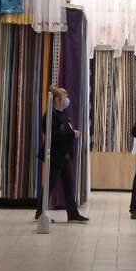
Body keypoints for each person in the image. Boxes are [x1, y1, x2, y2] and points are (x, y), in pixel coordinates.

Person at [35, 85, 88, 223]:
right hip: (55, 156)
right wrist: (71, 133)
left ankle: (73, 214)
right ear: (57, 100)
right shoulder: (50, 115)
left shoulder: (62, 114)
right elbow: (53, 134)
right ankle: (40, 213)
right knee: (50, 185)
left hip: (65, 156)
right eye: (65, 97)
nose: (67, 99)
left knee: (69, 185)